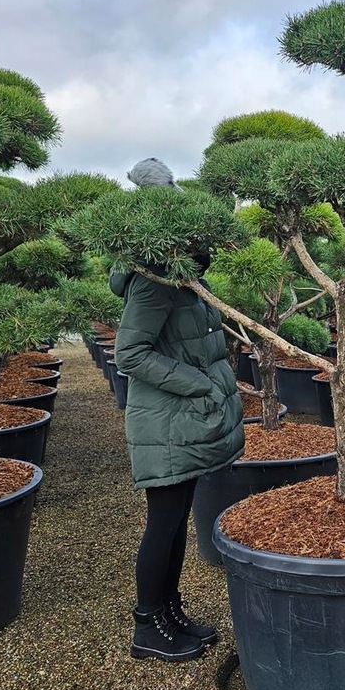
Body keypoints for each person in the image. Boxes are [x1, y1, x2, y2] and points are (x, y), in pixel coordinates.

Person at [111, 157, 245, 662]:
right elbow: (130, 353)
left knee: (175, 519)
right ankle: (148, 626)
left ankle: (170, 612)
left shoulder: (181, 273)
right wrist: (199, 385)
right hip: (167, 421)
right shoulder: (155, 278)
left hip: (181, 420)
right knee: (163, 523)